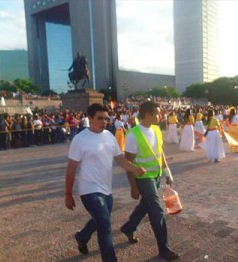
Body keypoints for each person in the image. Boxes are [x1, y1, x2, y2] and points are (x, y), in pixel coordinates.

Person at [65, 103, 145, 262]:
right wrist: (68, 194)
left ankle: (82, 236)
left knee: (101, 220)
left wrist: (134, 169)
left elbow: (120, 159)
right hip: (89, 190)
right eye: (100, 118)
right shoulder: (80, 139)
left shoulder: (109, 135)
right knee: (105, 223)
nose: (104, 122)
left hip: (107, 190)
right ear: (90, 118)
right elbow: (71, 168)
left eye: (106, 119)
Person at [120, 101, 179, 261]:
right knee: (157, 210)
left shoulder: (156, 129)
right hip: (143, 178)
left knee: (146, 205)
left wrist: (167, 171)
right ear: (147, 114)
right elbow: (128, 162)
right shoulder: (133, 134)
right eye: (158, 113)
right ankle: (164, 249)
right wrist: (133, 186)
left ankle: (128, 227)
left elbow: (160, 153)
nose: (161, 116)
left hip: (156, 175)